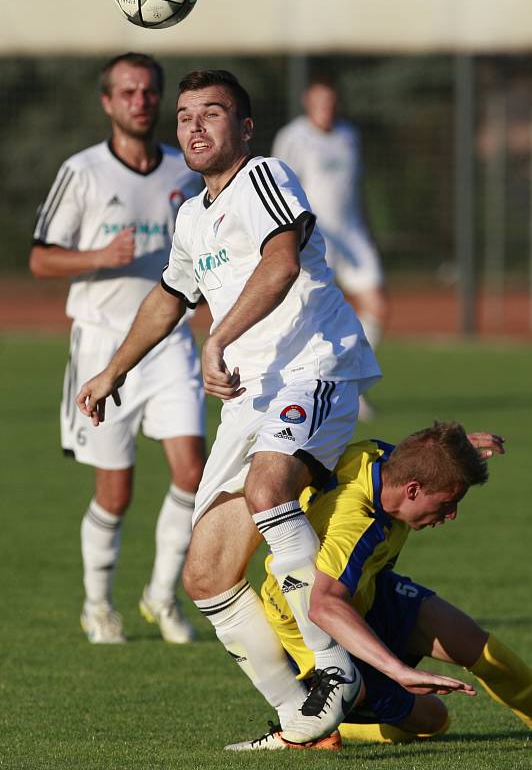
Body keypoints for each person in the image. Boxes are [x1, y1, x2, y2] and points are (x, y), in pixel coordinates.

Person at [75, 69, 387, 744]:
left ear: (243, 127)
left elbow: (279, 261)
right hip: (250, 398)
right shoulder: (192, 214)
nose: (192, 125)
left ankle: (337, 668)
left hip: (314, 369)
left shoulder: (265, 176)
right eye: (184, 115)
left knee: (271, 487)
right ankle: (298, 719)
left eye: (211, 114)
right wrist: (111, 370)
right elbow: (168, 296)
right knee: (206, 576)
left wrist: (218, 335)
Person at [226, 422, 532, 751]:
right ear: (413, 490)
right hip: (322, 631)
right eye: (447, 503)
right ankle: (320, 723)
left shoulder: (381, 460)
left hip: (366, 589)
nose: (451, 514)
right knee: (433, 720)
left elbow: (418, 453)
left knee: (473, 642)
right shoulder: (356, 523)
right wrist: (398, 671)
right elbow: (323, 606)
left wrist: (458, 450)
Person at [29, 53, 206, 645]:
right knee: (116, 491)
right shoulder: (83, 172)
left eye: (149, 91)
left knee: (193, 472)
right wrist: (99, 257)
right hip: (103, 346)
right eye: (127, 92)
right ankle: (98, 604)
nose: (140, 101)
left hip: (170, 340)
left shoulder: (184, 172)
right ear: (108, 102)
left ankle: (162, 595)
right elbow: (40, 257)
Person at [272, 78, 388, 421]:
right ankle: (297, 385)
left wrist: (369, 229)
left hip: (353, 236)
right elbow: (279, 187)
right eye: (320, 101)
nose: (326, 108)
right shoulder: (293, 137)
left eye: (331, 101)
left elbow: (355, 188)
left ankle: (353, 385)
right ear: (308, 102)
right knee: (306, 312)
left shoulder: (349, 136)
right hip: (315, 237)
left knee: (378, 307)